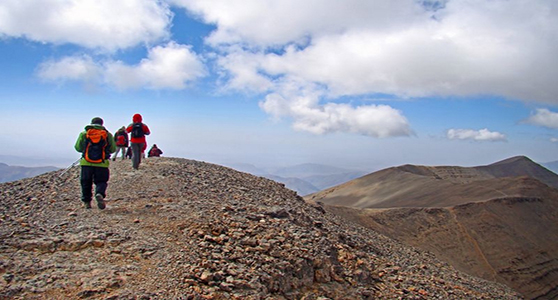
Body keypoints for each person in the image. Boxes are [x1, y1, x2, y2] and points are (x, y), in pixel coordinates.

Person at [74, 117, 116, 209]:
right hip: (102, 163)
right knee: (101, 181)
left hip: (86, 162)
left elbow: (78, 147)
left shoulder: (84, 133)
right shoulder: (107, 134)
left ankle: (87, 202)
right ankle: (99, 193)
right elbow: (113, 149)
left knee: (86, 182)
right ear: (102, 124)